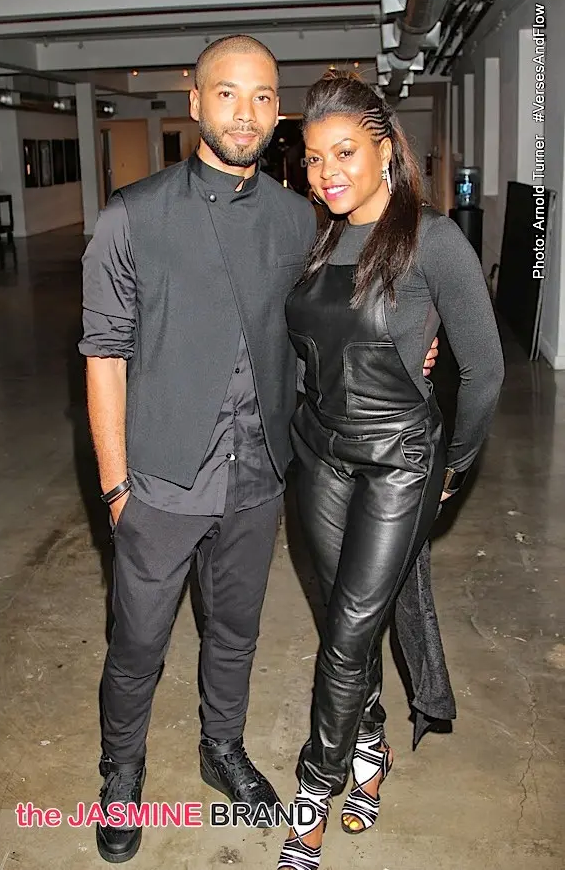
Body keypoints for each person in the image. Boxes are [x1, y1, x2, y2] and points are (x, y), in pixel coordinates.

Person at [79, 36, 438, 864]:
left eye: (265, 97)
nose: (247, 113)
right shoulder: (132, 215)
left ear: (279, 111)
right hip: (160, 480)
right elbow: (103, 356)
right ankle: (122, 774)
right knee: (136, 645)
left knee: (234, 632)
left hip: (258, 471)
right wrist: (117, 489)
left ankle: (222, 747)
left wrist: (414, 342)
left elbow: (342, 311)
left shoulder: (296, 218)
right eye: (228, 94)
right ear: (195, 101)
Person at [277, 71, 504, 870]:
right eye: (313, 158)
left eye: (344, 152)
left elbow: (485, 370)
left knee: (344, 633)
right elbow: (310, 351)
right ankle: (371, 740)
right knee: (347, 622)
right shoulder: (320, 238)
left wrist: (453, 469)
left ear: (385, 150)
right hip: (321, 455)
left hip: (398, 463)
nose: (326, 172)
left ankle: (315, 787)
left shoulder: (433, 240)